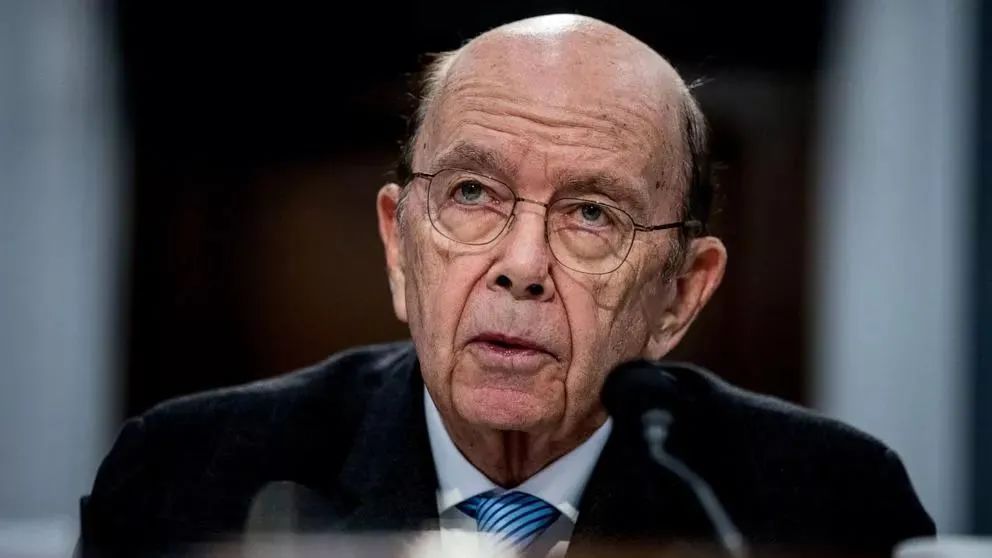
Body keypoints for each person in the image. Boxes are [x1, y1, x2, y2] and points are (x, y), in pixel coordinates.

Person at [79, 14, 934, 558]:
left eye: (593, 213)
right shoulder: (186, 479)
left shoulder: (830, 505)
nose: (522, 265)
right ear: (398, 246)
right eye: (472, 194)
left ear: (679, 294)